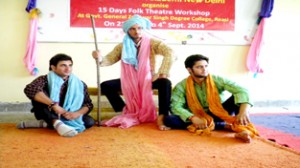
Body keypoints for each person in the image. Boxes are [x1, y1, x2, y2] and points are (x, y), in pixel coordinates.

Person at [92, 15, 174, 130]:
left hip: (147, 79)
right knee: (106, 85)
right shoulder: (122, 46)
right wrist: (99, 58)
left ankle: (162, 116)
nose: (137, 31)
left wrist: (162, 73)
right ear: (128, 31)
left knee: (165, 83)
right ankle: (124, 111)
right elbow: (108, 60)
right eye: (133, 29)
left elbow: (170, 52)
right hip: (130, 80)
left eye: (139, 28)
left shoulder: (152, 43)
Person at [164, 54, 259, 143]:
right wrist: (192, 117)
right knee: (169, 120)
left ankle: (243, 130)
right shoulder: (182, 86)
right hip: (198, 116)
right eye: (199, 67)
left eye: (206, 66)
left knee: (238, 98)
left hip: (219, 112)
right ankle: (224, 126)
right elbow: (175, 106)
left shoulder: (216, 79)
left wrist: (244, 111)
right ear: (189, 69)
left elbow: (243, 90)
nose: (204, 69)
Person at [19, 53, 95, 137]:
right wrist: (54, 105)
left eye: (70, 65)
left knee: (89, 122)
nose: (68, 69)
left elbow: (88, 104)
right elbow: (30, 89)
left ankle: (46, 124)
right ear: (53, 68)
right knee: (39, 93)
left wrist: (76, 114)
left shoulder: (79, 84)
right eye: (63, 65)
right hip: (49, 111)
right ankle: (56, 123)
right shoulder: (45, 79)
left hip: (68, 114)